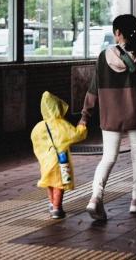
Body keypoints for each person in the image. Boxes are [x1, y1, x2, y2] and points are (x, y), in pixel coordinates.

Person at [79, 14, 136, 221]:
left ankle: (95, 198)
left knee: (108, 157)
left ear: (117, 33)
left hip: (110, 116)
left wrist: (85, 115)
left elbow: (93, 90)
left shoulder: (103, 57)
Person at [31, 91, 87, 219]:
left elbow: (36, 142)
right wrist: (82, 126)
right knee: (59, 184)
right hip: (60, 160)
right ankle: (57, 208)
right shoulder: (61, 124)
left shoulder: (38, 127)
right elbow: (76, 135)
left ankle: (52, 204)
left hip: (46, 161)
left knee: (50, 182)